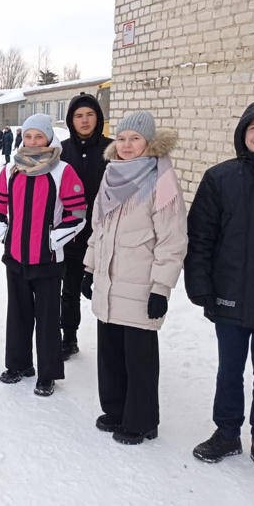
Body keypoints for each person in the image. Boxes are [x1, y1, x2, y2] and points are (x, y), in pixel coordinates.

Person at [185, 100, 254, 486]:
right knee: (229, 370)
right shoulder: (220, 178)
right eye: (253, 129)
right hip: (229, 293)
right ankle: (226, 434)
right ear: (242, 134)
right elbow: (201, 237)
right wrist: (200, 284)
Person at [83, 111, 186, 445]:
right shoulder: (111, 175)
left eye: (135, 139)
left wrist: (161, 288)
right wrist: (88, 268)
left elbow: (172, 239)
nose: (127, 145)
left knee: (139, 356)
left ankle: (142, 420)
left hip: (141, 284)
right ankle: (115, 410)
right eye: (122, 138)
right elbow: (99, 227)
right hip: (109, 278)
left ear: (149, 142)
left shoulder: (162, 180)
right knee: (110, 351)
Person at [0, 114, 86, 396]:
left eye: (38, 136)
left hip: (48, 259)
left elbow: (77, 215)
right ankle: (19, 365)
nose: (32, 141)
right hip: (16, 256)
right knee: (17, 314)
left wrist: (53, 240)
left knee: (46, 318)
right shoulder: (10, 169)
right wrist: (4, 234)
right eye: (28, 136)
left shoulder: (63, 171)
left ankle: (47, 373)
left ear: (49, 138)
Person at [58, 93, 113, 359]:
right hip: (71, 236)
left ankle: (112, 339)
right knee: (69, 290)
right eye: (79, 115)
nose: (85, 120)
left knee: (107, 290)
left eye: (90, 115)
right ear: (71, 120)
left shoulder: (112, 150)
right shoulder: (61, 151)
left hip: (106, 236)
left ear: (98, 118)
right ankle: (69, 337)